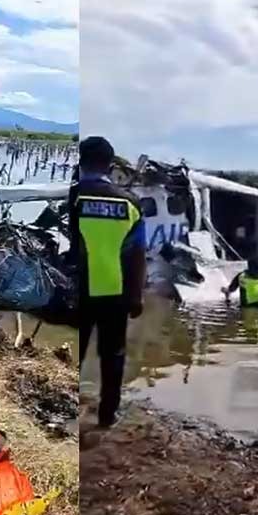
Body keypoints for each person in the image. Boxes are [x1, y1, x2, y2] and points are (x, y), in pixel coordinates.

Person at [69, 136, 146, 429]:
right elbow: (138, 255)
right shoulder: (131, 202)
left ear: (81, 161)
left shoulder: (74, 196)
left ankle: (67, 409)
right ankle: (106, 417)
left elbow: (70, 242)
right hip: (116, 291)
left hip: (80, 291)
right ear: (111, 165)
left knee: (76, 351)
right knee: (112, 356)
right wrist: (137, 296)